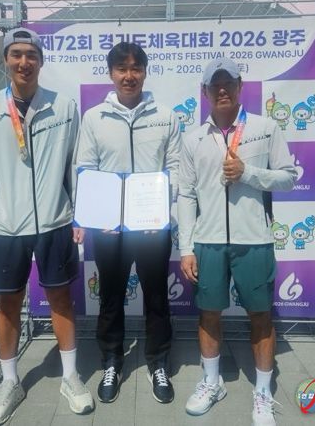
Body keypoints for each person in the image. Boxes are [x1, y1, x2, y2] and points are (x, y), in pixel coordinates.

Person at [0, 27, 94, 425]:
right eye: (16, 54)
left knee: (61, 300)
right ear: (6, 60)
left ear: (41, 60)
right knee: (8, 304)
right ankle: (9, 382)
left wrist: (80, 215)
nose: (24, 62)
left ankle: (70, 377)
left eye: (31, 55)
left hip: (55, 222)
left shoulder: (64, 106)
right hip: (6, 226)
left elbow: (75, 167)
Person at [178, 57, 297, 424]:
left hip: (254, 240)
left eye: (228, 82)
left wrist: (248, 173)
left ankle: (262, 393)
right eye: (215, 85)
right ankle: (212, 382)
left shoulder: (265, 128)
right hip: (209, 241)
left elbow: (289, 177)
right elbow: (186, 195)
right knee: (208, 313)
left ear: (240, 86)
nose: (222, 90)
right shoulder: (193, 138)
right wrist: (186, 248)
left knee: (260, 316)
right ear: (205, 92)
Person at [75, 42, 180, 404]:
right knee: (110, 298)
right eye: (122, 68)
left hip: (152, 227)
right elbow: (86, 167)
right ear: (111, 74)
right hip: (109, 230)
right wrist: (96, 214)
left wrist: (162, 209)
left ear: (145, 72)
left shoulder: (165, 116)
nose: (129, 75)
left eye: (136, 68)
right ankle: (111, 361)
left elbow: (175, 166)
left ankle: (158, 362)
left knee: (157, 297)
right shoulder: (94, 118)